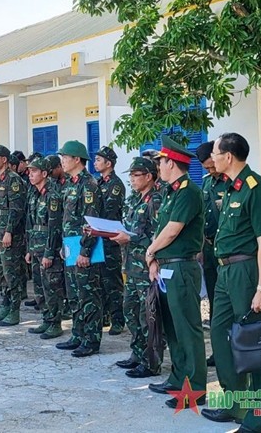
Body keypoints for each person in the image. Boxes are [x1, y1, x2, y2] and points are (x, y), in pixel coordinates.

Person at [202, 133, 261, 432]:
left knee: (256, 344)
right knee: (221, 336)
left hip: (246, 271)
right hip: (224, 272)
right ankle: (236, 404)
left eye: (216, 153)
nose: (213, 158)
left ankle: (259, 419)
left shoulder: (254, 188)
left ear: (229, 157)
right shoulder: (229, 188)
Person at [145, 135, 206, 410]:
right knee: (172, 328)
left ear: (172, 162)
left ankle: (194, 388)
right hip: (167, 266)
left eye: (161, 161)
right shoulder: (171, 192)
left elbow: (172, 230)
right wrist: (155, 260)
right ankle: (178, 377)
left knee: (188, 329)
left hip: (182, 266)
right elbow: (162, 230)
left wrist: (150, 251)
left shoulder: (188, 192)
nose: (158, 165)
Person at [110, 157, 163, 378]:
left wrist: (130, 239)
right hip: (130, 266)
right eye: (130, 175)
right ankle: (138, 353)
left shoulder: (156, 200)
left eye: (136, 175)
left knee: (147, 316)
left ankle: (151, 362)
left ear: (149, 176)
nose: (131, 179)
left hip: (146, 266)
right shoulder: (133, 200)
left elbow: (158, 235)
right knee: (130, 311)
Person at [55, 140, 103, 357]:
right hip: (71, 245)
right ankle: (78, 334)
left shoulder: (89, 184)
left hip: (85, 247)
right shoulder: (70, 184)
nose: (62, 161)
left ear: (77, 159)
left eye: (65, 157)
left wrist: (85, 251)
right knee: (73, 294)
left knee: (88, 294)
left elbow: (91, 221)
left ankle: (91, 339)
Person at [0, 144, 27, 326]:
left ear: (4, 159)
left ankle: (14, 311)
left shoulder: (13, 180)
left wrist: (8, 231)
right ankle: (5, 306)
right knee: (0, 274)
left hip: (9, 236)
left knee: (11, 274)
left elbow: (16, 210)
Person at [24, 156, 65, 339]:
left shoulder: (52, 195)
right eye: (30, 171)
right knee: (39, 287)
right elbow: (30, 223)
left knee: (51, 287)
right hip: (36, 247)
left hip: (49, 249)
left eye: (34, 171)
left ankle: (55, 323)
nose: (30, 175)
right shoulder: (33, 194)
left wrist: (49, 253)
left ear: (44, 173)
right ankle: (46, 319)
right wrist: (29, 249)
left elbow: (55, 227)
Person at [195, 141, 227, 354]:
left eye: (212, 165)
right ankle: (219, 351)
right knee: (215, 301)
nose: (210, 170)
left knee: (229, 302)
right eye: (206, 168)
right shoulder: (206, 184)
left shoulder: (231, 183)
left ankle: (235, 348)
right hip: (208, 249)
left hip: (227, 251)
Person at [94, 146, 127, 336]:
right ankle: (105, 315)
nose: (96, 163)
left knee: (112, 281)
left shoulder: (115, 184)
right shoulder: (99, 183)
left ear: (109, 163)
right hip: (99, 237)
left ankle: (117, 319)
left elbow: (109, 211)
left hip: (110, 238)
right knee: (100, 279)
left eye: (99, 160)